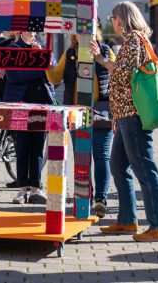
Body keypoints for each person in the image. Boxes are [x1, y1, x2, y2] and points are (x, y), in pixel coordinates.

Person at [96, 1, 158, 242]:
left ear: (123, 19)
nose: (113, 23)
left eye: (114, 18)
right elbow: (125, 71)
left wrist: (102, 60)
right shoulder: (132, 42)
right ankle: (128, 220)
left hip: (134, 114)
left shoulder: (135, 40)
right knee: (118, 165)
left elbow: (124, 74)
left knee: (145, 169)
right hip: (124, 113)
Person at [48, 31, 116, 217]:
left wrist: (100, 58)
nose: (83, 35)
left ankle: (101, 199)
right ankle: (85, 197)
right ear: (74, 36)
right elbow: (55, 79)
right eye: (79, 32)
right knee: (82, 159)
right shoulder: (70, 53)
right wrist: (46, 64)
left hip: (101, 110)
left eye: (88, 31)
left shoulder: (105, 50)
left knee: (102, 156)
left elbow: (118, 73)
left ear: (96, 32)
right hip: (76, 113)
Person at [4, 31, 53, 205]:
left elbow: (52, 69)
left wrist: (41, 57)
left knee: (38, 148)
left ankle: (36, 189)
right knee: (22, 148)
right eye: (27, 27)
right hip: (21, 104)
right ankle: (22, 190)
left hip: (42, 104)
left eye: (33, 28)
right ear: (20, 30)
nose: (31, 31)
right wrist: (38, 69)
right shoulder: (13, 49)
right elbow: (14, 76)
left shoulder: (42, 46)